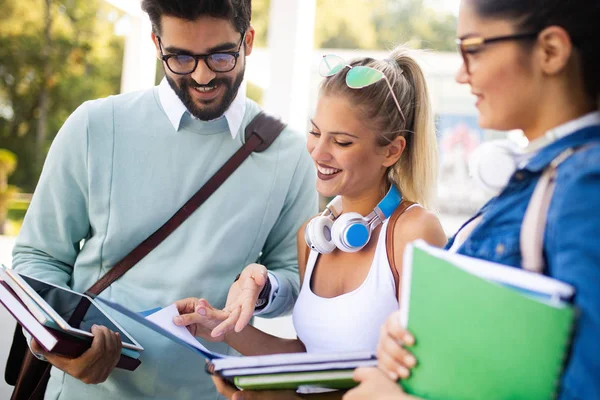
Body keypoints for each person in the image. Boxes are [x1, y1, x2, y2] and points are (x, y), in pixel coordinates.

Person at [10, 1, 318, 399]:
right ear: (157, 44)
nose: (203, 76)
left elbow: (293, 277)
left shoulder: (287, 153)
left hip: (210, 393)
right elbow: (38, 258)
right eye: (181, 58)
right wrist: (59, 343)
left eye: (221, 56)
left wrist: (261, 286)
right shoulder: (95, 126)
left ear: (249, 41)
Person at [345, 0, 600, 398]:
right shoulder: (542, 178)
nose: (463, 74)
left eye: (474, 49)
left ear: (551, 51)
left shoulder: (585, 184)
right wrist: (412, 342)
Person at [173, 46, 448, 398]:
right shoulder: (314, 236)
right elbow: (310, 359)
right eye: (316, 132)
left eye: (342, 141)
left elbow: (432, 378)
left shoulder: (414, 232)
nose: (318, 152)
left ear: (391, 151)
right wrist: (222, 328)